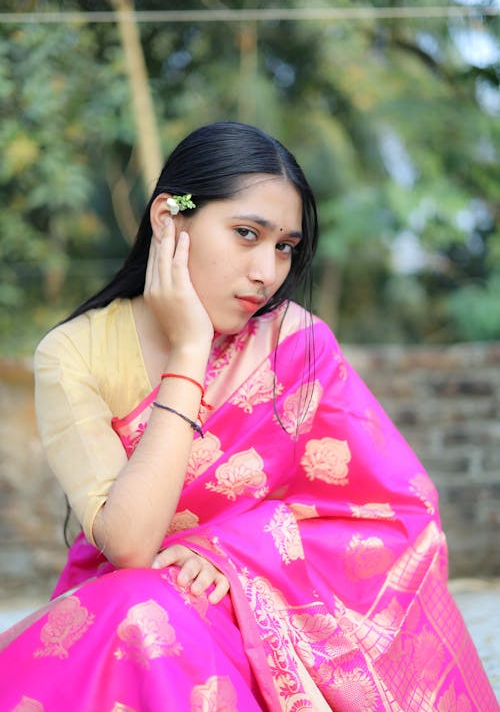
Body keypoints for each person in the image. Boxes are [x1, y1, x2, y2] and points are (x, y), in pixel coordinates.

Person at [0, 121, 496, 712]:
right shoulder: (75, 353)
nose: (268, 271)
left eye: (284, 245)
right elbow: (129, 545)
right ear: (168, 220)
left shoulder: (296, 344)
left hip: (260, 622)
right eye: (246, 234)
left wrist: (227, 551)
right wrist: (189, 352)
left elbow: (394, 516)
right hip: (132, 628)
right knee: (143, 609)